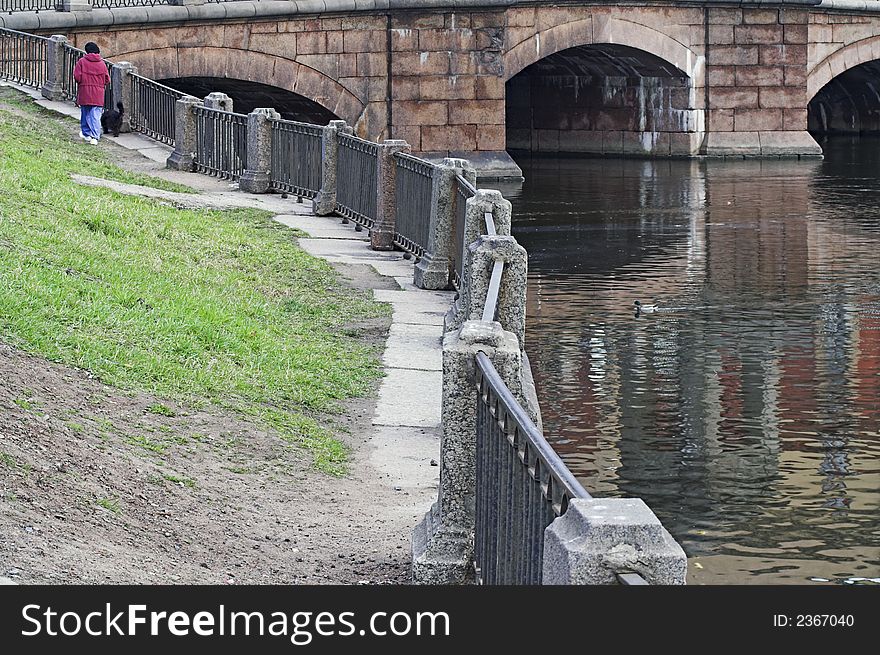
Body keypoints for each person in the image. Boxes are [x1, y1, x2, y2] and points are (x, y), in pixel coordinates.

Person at [73, 42, 110, 145]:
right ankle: (95, 136)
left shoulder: (81, 62)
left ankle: (86, 133)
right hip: (98, 93)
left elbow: (77, 77)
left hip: (85, 91)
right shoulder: (102, 63)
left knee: (85, 113)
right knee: (95, 115)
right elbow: (107, 79)